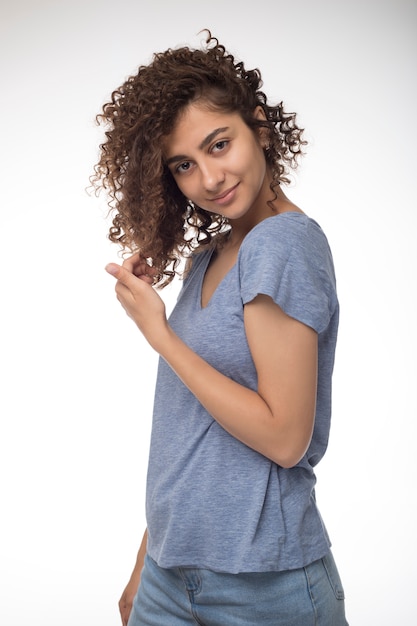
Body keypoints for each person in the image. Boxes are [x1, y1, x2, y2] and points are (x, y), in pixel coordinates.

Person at [91, 30, 349, 626]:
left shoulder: (285, 243)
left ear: (259, 126)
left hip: (264, 588)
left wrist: (161, 337)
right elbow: (189, 435)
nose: (209, 177)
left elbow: (285, 438)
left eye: (219, 143)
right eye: (185, 164)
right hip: (169, 571)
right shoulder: (213, 254)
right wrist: (145, 563)